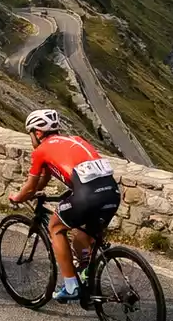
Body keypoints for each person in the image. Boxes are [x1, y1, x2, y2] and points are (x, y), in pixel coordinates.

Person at [8, 109, 120, 303]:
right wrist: (36, 191)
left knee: (56, 227)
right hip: (112, 192)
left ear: (38, 133)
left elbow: (31, 186)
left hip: (87, 196)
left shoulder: (41, 150)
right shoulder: (75, 139)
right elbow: (44, 179)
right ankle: (87, 273)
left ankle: (70, 286)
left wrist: (17, 197)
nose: (31, 139)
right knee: (82, 234)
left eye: (30, 134)